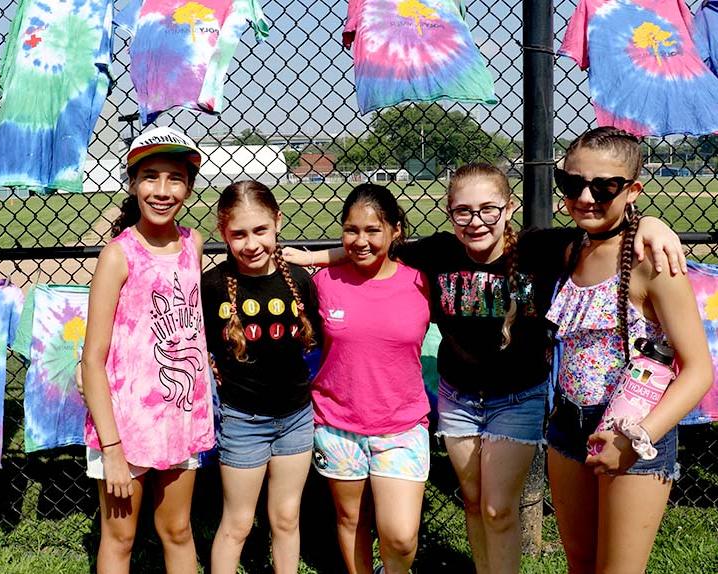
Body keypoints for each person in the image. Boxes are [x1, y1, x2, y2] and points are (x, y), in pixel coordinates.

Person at [284, 167, 686, 574]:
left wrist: (649, 223)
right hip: (458, 397)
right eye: (463, 212)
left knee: (497, 508)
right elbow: (371, 246)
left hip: (517, 397)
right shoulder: (439, 252)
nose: (476, 222)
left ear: (509, 208)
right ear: (449, 213)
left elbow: (603, 237)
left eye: (488, 210)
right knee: (474, 502)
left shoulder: (538, 248)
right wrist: (311, 257)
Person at [545, 126, 712, 574]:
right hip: (567, 424)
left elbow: (698, 370)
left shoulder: (653, 262)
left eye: (604, 186)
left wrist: (637, 438)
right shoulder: (570, 248)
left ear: (633, 189)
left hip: (635, 430)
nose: (584, 196)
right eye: (571, 182)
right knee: (580, 565)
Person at [80, 126, 214, 574]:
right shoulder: (118, 256)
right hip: (124, 428)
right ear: (133, 183)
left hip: (180, 418)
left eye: (174, 178)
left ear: (189, 187)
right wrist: (112, 448)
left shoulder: (193, 245)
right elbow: (93, 360)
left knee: (177, 530)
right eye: (150, 176)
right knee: (120, 537)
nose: (162, 190)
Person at [309, 184, 432, 574]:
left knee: (400, 536)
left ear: (396, 230)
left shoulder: (420, 282)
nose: (360, 241)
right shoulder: (324, 282)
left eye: (372, 230)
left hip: (401, 426)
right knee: (351, 520)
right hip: (336, 423)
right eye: (351, 230)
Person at [203, 180, 321, 574]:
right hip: (242, 421)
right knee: (237, 523)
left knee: (286, 518)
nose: (251, 243)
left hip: (296, 419)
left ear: (277, 223)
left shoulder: (300, 282)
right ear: (223, 233)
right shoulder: (213, 286)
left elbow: (316, 341)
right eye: (238, 234)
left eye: (260, 231)